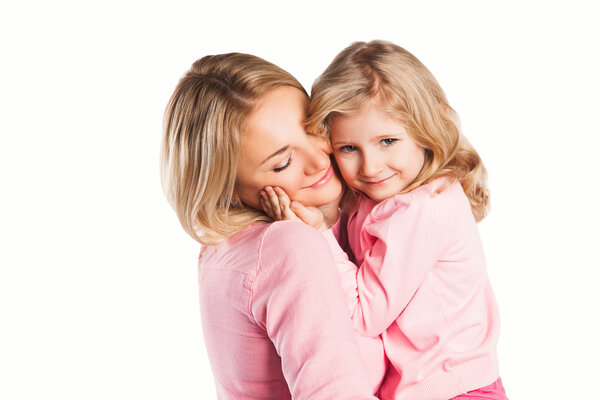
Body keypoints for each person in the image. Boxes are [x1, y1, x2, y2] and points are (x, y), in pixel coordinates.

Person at [264, 40, 508, 400]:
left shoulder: (421, 210)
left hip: (453, 390)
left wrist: (316, 234)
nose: (371, 166)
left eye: (388, 141)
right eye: (349, 148)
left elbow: (365, 314)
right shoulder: (377, 198)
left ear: (428, 127)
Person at [160, 52, 384, 400]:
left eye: (314, 129)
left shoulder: (224, 250)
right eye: (282, 163)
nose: (318, 159)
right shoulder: (289, 244)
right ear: (228, 190)